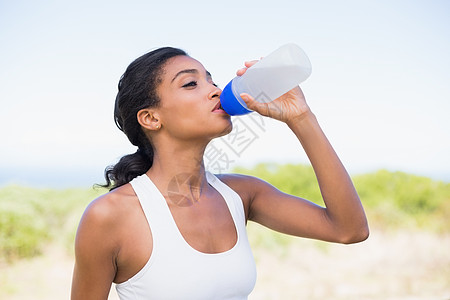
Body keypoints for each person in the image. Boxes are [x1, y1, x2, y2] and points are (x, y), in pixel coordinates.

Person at [71, 46, 369, 300]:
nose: (215, 90)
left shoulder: (243, 194)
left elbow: (349, 230)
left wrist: (301, 117)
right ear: (151, 118)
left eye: (210, 79)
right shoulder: (109, 216)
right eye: (191, 84)